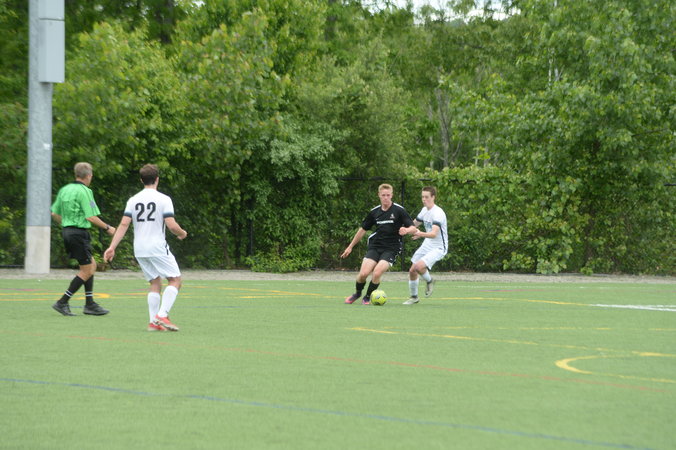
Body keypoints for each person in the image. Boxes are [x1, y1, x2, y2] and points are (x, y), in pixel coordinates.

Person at [103, 164, 188, 332]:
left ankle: (153, 323)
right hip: (156, 246)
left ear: (141, 180)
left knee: (155, 282)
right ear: (157, 179)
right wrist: (182, 233)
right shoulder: (164, 199)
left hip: (140, 249)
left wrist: (112, 246)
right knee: (175, 280)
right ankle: (162, 315)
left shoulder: (133, 200)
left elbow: (124, 224)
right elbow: (171, 225)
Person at [51, 162, 116, 316]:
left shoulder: (65, 190)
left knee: (91, 265)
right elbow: (90, 217)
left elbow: (54, 214)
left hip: (67, 232)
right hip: (78, 234)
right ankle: (62, 302)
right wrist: (108, 228)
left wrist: (67, 224)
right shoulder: (85, 191)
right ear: (89, 175)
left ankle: (90, 304)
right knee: (87, 270)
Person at [341, 183, 415, 305]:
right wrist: (350, 247)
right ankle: (357, 293)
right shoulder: (374, 212)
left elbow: (413, 227)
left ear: (392, 195)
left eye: (388, 195)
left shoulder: (399, 210)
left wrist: (406, 230)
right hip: (375, 246)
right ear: (379, 195)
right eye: (383, 195)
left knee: (377, 272)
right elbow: (362, 230)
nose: (386, 198)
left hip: (391, 248)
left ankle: (367, 297)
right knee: (363, 274)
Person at [402, 186, 448, 305]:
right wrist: (405, 230)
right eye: (422, 197)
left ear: (433, 197)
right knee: (412, 270)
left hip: (439, 247)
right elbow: (414, 224)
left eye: (426, 197)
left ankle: (430, 281)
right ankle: (414, 297)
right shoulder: (424, 210)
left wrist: (420, 234)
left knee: (419, 267)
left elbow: (433, 234)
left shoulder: (438, 213)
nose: (424, 199)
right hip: (427, 243)